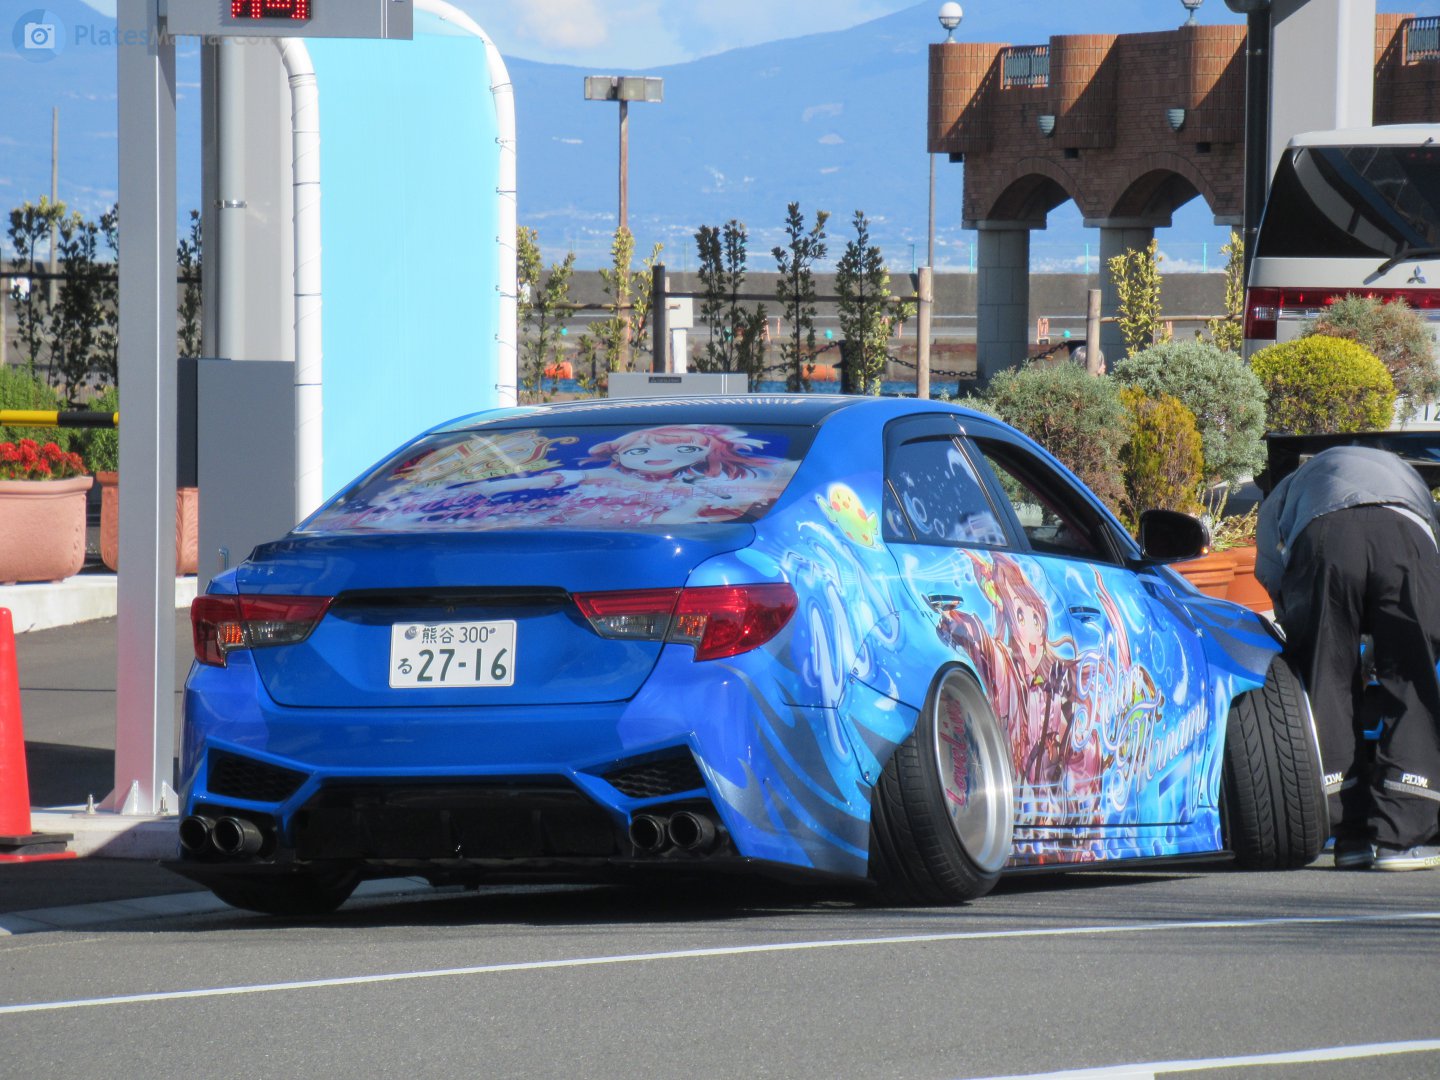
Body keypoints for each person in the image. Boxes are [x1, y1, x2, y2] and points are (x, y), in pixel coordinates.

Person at [1256, 445, 1440, 871]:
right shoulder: (1410, 480)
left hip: (1325, 539)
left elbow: (1270, 564)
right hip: (1406, 535)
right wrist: (1386, 648)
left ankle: (1347, 833)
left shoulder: (1290, 487)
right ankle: (1402, 836)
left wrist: (1294, 621)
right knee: (1412, 679)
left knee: (1327, 681)